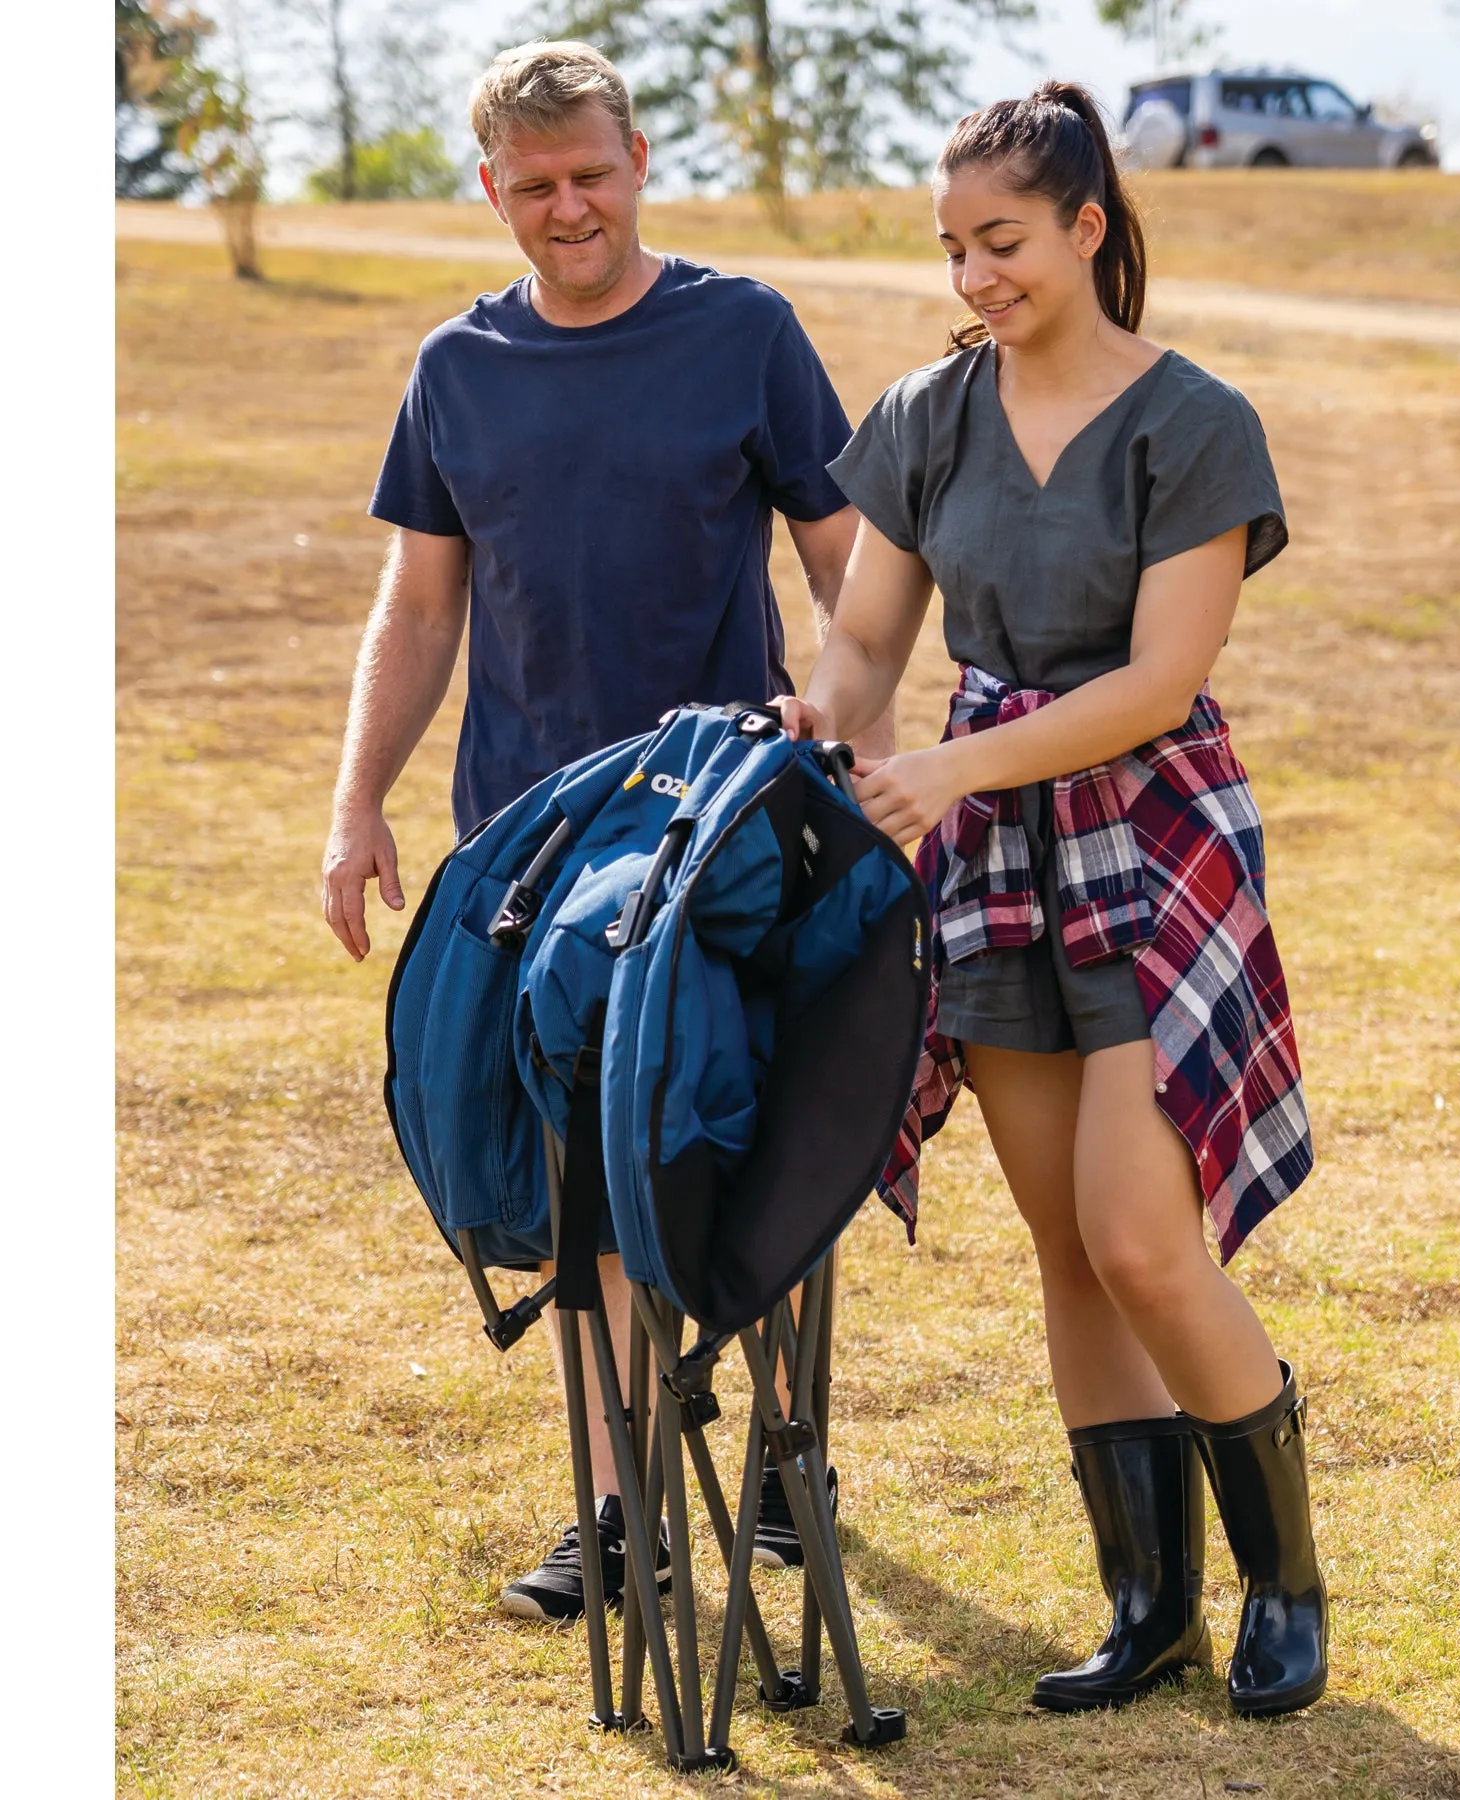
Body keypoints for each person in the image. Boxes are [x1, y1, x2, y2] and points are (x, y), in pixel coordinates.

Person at [777, 83, 1326, 1718]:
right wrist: (829, 715)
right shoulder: (928, 414)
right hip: (999, 851)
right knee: (1067, 1254)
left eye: (1001, 241)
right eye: (952, 246)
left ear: (1089, 228)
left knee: (1145, 1239)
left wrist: (944, 776)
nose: (974, 276)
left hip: (1153, 837)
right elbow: (872, 638)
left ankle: (1285, 1585)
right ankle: (1147, 1606)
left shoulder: (1196, 421)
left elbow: (1165, 681)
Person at [320, 40, 884, 1623]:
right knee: (580, 1176)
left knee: (742, 1134)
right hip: (526, 849)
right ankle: (620, 1509)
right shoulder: (457, 370)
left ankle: (783, 1449)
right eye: (537, 184)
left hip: (718, 829)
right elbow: (421, 605)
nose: (571, 208)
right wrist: (357, 800)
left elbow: (844, 564)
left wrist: (863, 745)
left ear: (641, 160)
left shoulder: (746, 332)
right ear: (489, 185)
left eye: (595, 174)